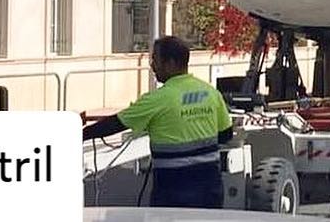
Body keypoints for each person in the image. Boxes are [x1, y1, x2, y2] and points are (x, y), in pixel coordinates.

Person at [82, 35, 232, 209]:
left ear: (171, 63)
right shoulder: (210, 93)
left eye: (155, 60)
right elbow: (225, 134)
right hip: (210, 188)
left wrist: (76, 134)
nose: (152, 66)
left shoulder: (158, 99)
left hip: (174, 191)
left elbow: (116, 123)